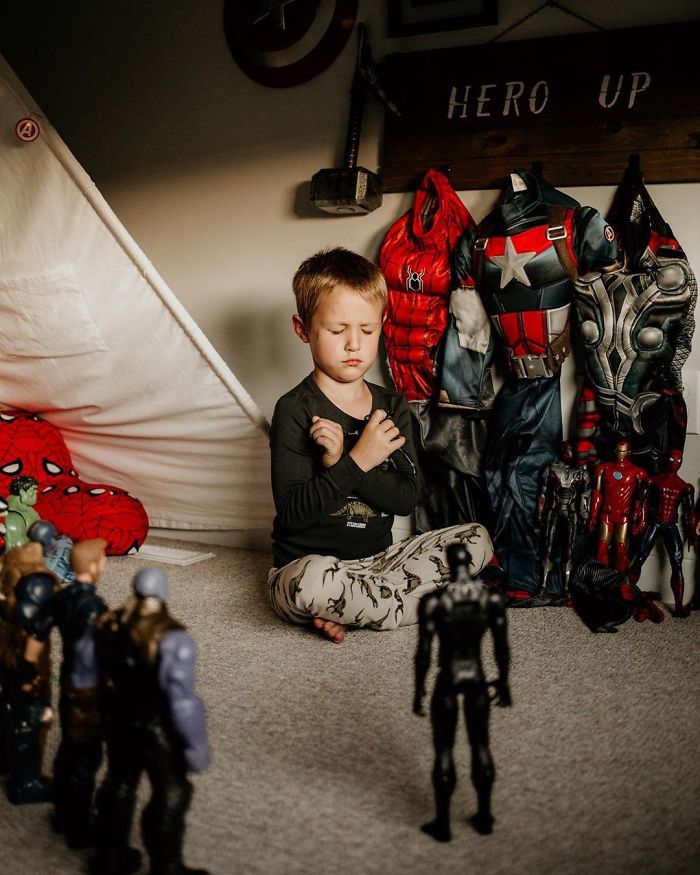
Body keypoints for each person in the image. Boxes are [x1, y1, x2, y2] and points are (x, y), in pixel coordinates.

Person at [269, 247, 496, 644]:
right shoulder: (294, 409)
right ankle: (395, 606)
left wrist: (353, 461)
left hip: (378, 565)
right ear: (302, 329)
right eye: (338, 331)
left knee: (477, 539)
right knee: (311, 584)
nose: (354, 344)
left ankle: (361, 606)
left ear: (382, 325)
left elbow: (406, 499)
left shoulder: (392, 406)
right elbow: (292, 515)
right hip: (307, 566)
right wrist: (352, 462)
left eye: (368, 330)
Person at [92, 567, 210, 875]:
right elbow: (181, 700)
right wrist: (196, 744)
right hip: (156, 725)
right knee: (171, 792)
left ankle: (110, 856)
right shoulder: (173, 637)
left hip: (118, 716)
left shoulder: (110, 623)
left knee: (119, 782)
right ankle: (166, 866)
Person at [414, 543, 511, 842]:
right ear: (469, 562)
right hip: (476, 674)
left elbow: (424, 652)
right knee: (480, 745)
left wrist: (419, 688)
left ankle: (443, 823)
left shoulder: (435, 601)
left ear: (447, 564)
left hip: (449, 675)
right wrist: (503, 681)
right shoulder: (490, 598)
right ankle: (484, 816)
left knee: (444, 749)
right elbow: (500, 645)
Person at [18, 538, 109, 847]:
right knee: (86, 756)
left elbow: (37, 632)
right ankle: (78, 825)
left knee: (69, 748)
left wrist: (29, 667)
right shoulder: (95, 608)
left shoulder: (61, 597)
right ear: (94, 566)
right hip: (88, 687)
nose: (105, 563)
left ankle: (61, 812)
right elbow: (94, 652)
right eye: (103, 558)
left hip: (69, 680)